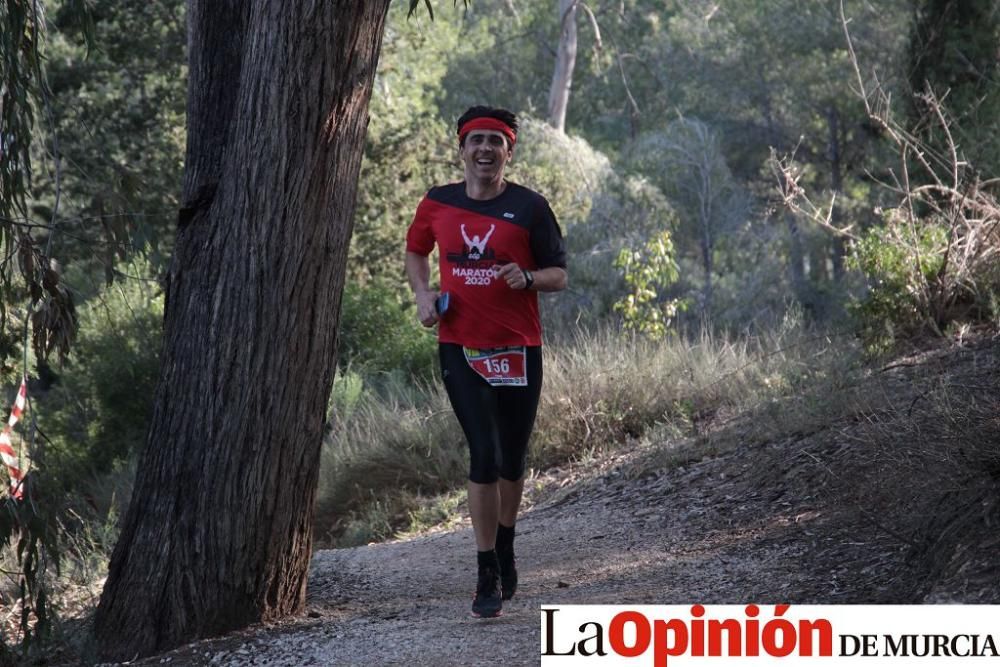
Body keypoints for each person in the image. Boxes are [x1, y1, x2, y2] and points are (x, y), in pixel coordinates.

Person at [404, 106, 567, 618]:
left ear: (508, 151)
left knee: (513, 461)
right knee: (484, 454)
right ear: (462, 148)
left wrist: (529, 278)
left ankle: (506, 543)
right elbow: (415, 251)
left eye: (495, 142)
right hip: (461, 346)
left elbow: (558, 274)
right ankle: (485, 572)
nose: (484, 150)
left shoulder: (531, 207)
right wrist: (423, 295)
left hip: (519, 348)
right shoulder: (437, 203)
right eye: (475, 140)